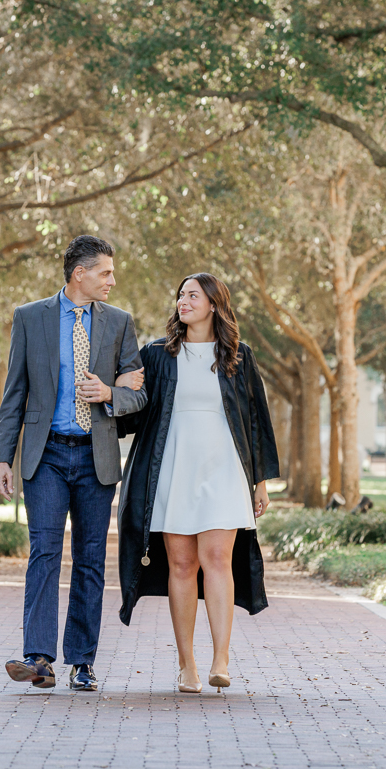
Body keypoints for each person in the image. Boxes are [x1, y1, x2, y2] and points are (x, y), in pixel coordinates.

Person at [0, 235, 146, 692]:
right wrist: (3, 456)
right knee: (43, 551)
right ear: (80, 273)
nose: (112, 281)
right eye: (106, 273)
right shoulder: (29, 318)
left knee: (91, 558)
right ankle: (38, 658)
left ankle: (82, 661)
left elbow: (138, 392)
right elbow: (13, 393)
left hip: (95, 456)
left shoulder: (120, 324)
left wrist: (110, 394)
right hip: (46, 455)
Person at [117, 273, 279, 694]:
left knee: (217, 560)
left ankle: (220, 659)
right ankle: (186, 664)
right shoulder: (157, 354)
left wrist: (259, 481)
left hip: (225, 468)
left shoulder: (239, 356)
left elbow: (256, 420)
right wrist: (113, 390)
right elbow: (133, 408)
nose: (183, 301)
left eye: (193, 295)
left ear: (213, 304)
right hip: (174, 466)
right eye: (181, 295)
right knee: (183, 564)